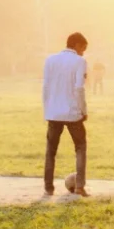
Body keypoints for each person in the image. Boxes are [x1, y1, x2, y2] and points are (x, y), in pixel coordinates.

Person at [42, 32, 89, 197]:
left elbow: (45, 87)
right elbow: (79, 88)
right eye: (83, 48)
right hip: (72, 113)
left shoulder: (50, 60)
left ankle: (48, 188)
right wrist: (83, 110)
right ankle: (80, 186)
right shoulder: (80, 61)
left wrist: (47, 110)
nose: (83, 52)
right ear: (76, 45)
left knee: (51, 150)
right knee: (80, 147)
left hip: (53, 112)